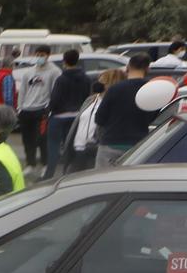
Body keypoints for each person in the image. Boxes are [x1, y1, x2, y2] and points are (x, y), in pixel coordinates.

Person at [94, 52, 155, 165]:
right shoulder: (151, 89)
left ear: (128, 67)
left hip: (110, 144)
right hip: (138, 147)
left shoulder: (115, 89)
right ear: (147, 69)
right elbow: (154, 117)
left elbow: (99, 118)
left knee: (103, 180)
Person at [44, 48, 92, 179]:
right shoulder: (86, 78)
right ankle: (68, 173)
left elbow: (55, 99)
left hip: (58, 117)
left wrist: (48, 111)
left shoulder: (61, 79)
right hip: (76, 116)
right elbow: (87, 97)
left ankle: (49, 174)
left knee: (53, 146)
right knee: (70, 146)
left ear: (64, 61)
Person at [66, 68, 119, 173]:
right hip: (77, 149)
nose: (98, 84)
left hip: (93, 151)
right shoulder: (90, 100)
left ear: (111, 84)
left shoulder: (113, 104)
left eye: (102, 81)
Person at [13, 44, 56, 172]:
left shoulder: (54, 72)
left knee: (42, 139)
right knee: (27, 139)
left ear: (48, 56)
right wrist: (20, 108)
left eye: (42, 55)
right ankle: (30, 164)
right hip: (26, 110)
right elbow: (22, 91)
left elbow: (54, 92)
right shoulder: (29, 72)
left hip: (42, 111)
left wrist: (49, 109)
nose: (39, 58)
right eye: (37, 55)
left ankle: (45, 164)